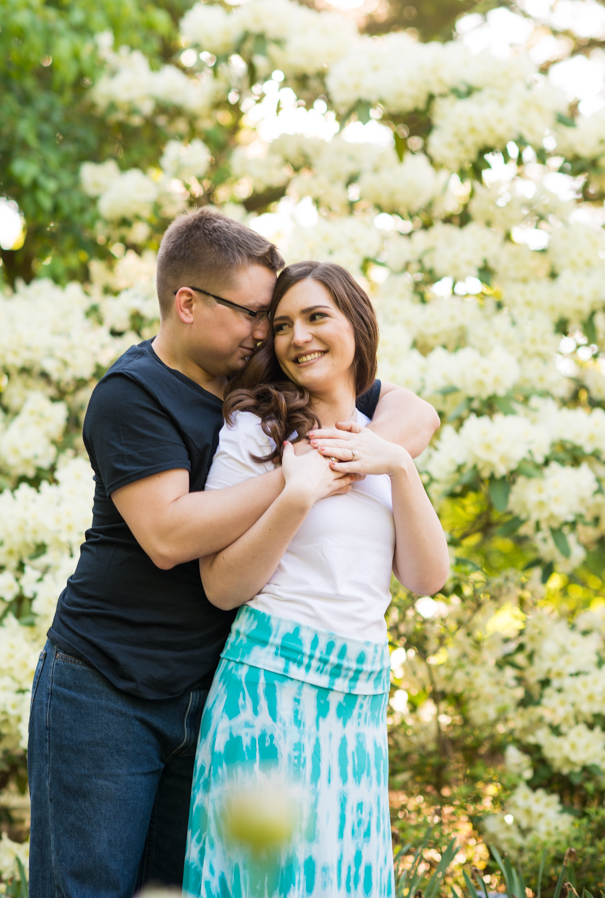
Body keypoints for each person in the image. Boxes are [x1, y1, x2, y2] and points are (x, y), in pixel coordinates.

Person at [27, 210, 440, 898]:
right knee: (89, 887)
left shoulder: (264, 378)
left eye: (272, 316)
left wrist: (380, 457)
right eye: (255, 314)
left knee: (177, 886)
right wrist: (296, 476)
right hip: (109, 684)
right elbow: (169, 536)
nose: (267, 334)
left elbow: (411, 411)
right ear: (186, 303)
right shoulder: (132, 396)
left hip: (213, 683)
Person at [184, 261, 449, 898]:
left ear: (356, 324)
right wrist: (295, 497)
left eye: (316, 316)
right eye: (281, 325)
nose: (297, 336)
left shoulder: (381, 439)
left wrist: (400, 470)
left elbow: (426, 577)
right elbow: (220, 586)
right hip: (271, 686)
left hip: (358, 693)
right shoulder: (255, 431)